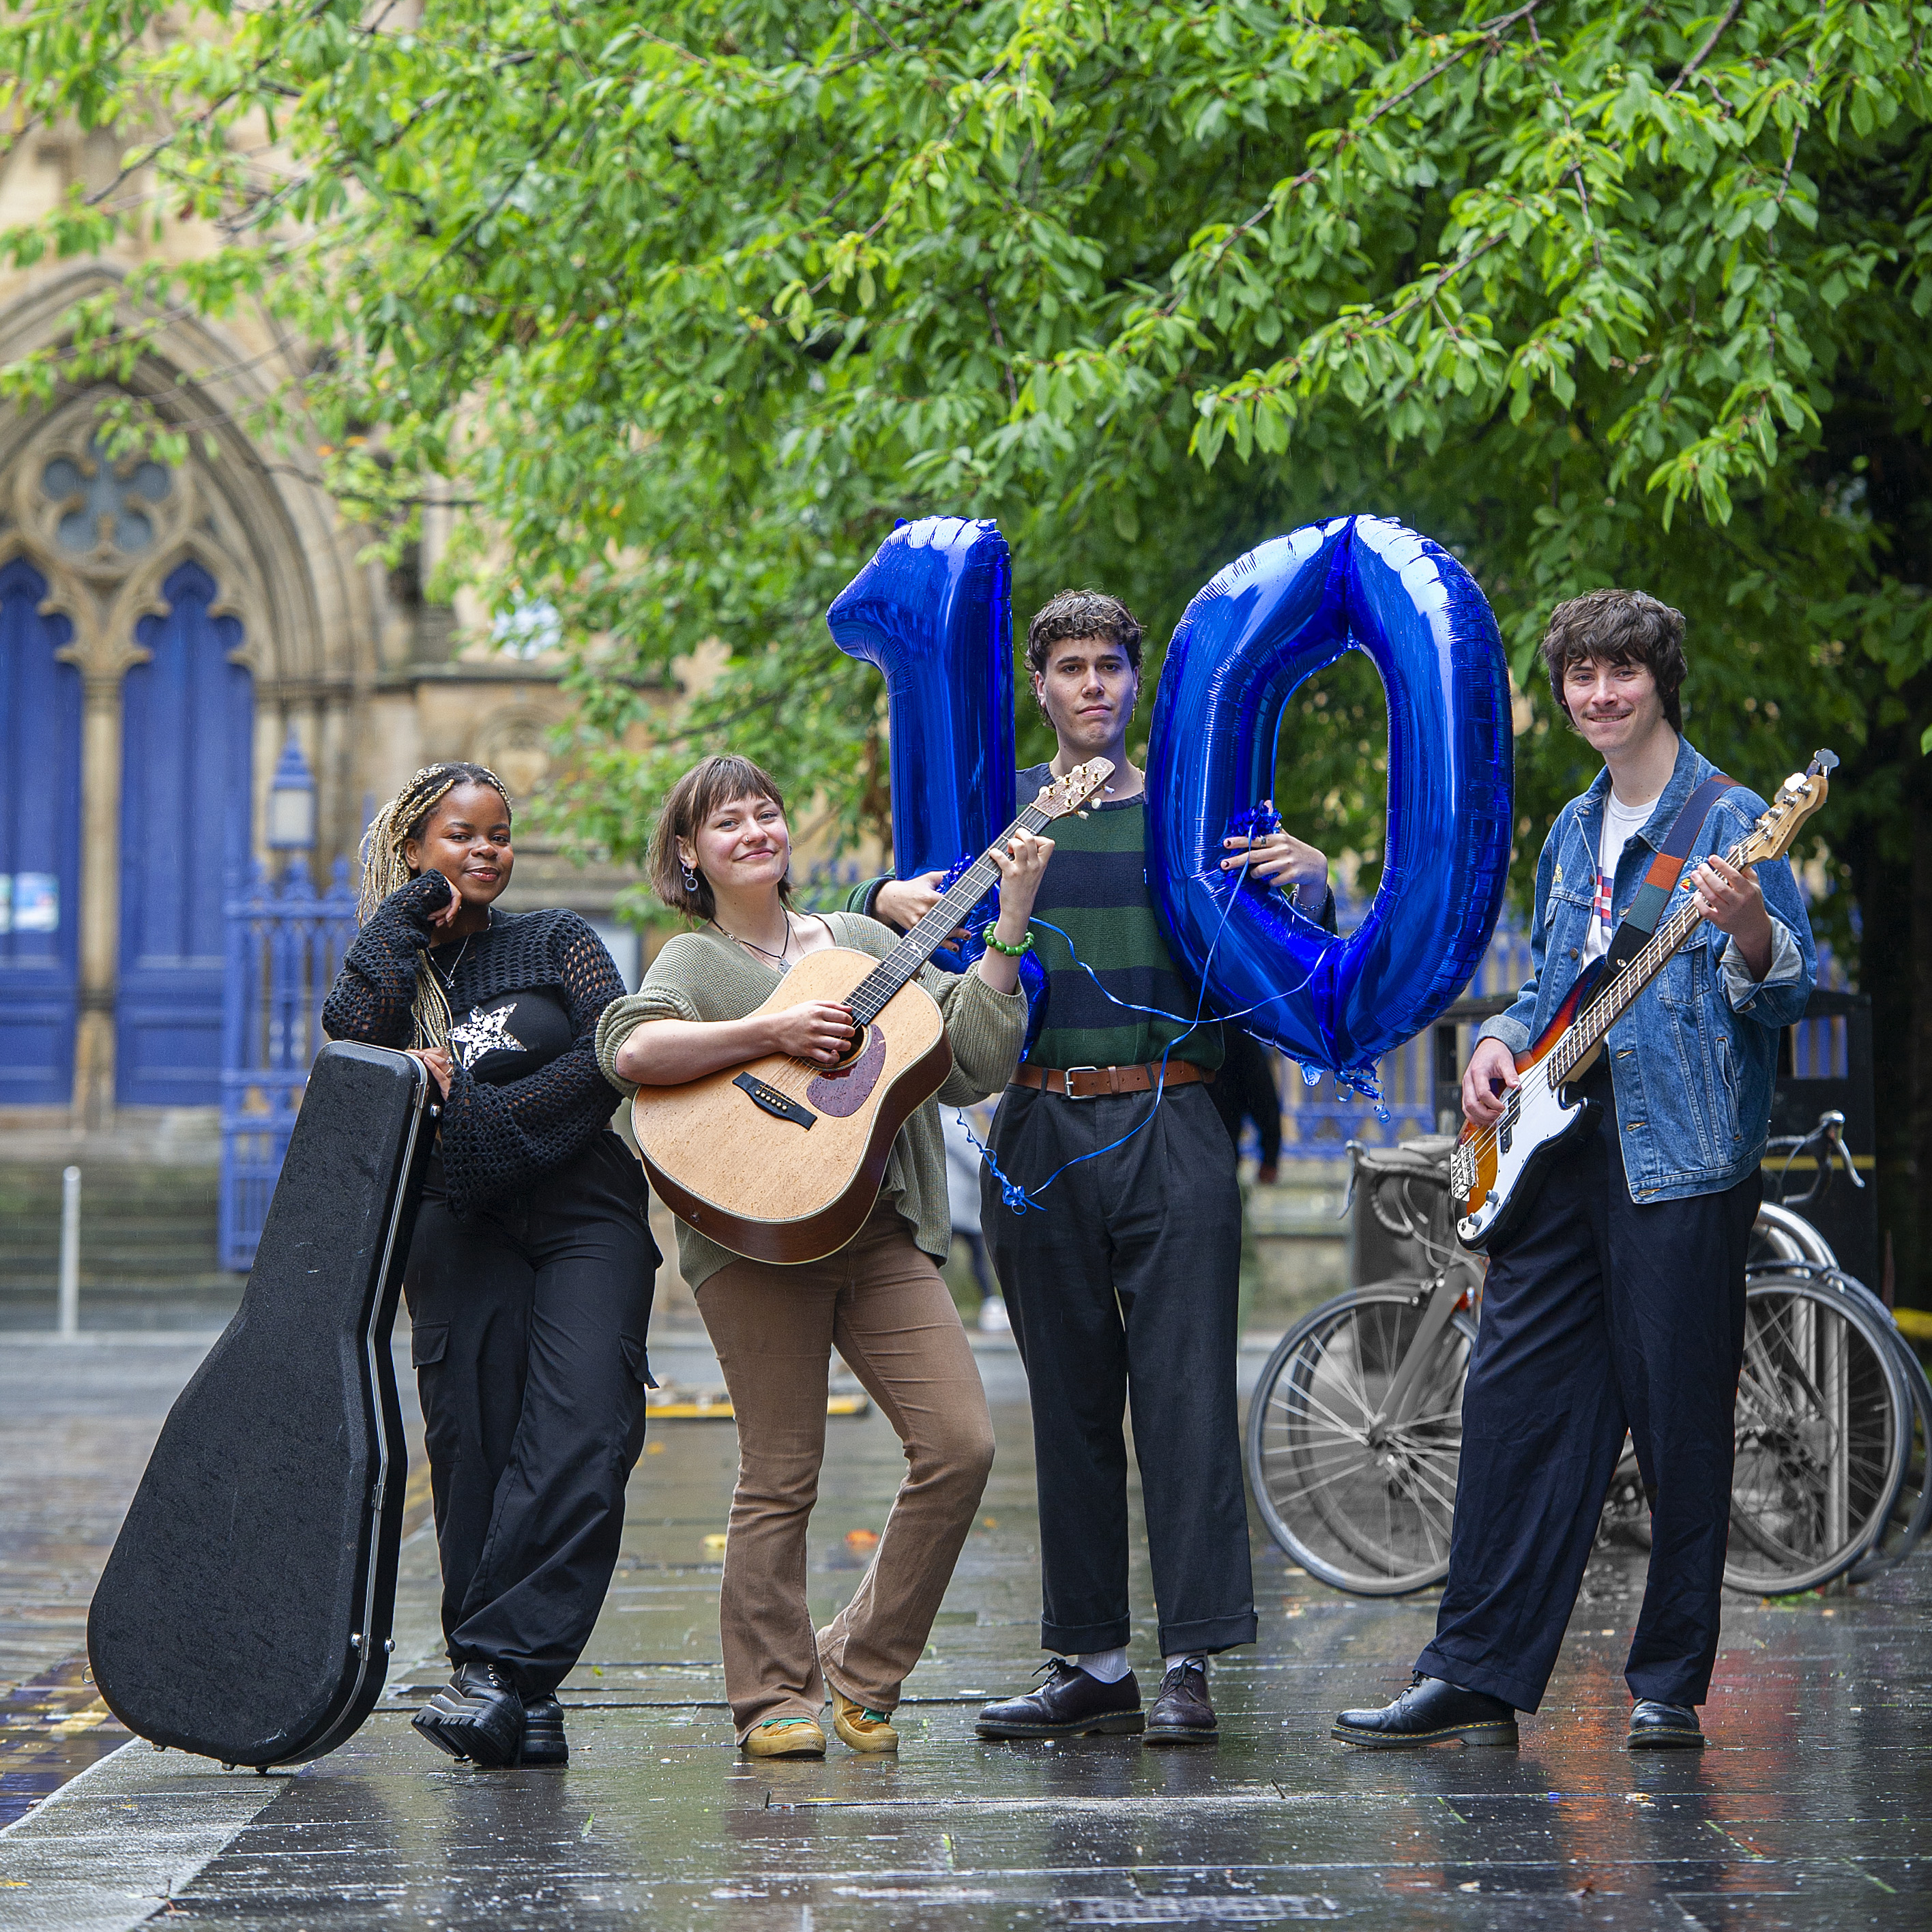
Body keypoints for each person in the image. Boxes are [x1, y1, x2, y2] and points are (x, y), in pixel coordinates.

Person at [1333, 589, 1815, 1754]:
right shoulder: (1569, 827)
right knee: (1510, 1406)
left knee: (1676, 1416)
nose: (1599, 695)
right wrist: (1498, 1040)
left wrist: (1745, 923)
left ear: (1661, 679)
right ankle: (1476, 1671)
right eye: (1580, 677)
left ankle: (1666, 1685)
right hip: (1554, 1154)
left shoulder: (1732, 817)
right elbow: (1553, 985)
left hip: (1680, 1159)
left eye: (1621, 674)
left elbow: (1783, 986)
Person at [852, 589, 1332, 1746]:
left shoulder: (1190, 814)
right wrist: (877, 894)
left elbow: (1298, 957)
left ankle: (1191, 1665)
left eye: (1110, 666)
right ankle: (1094, 1661)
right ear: (1039, 684)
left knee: (1183, 1406)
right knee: (1066, 1405)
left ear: (1133, 679)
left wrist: (1311, 878)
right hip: (1039, 1129)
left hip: (1174, 1122)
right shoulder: (1001, 822)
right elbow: (896, 949)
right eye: (1069, 667)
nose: (1091, 686)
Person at [596, 752, 1045, 1760]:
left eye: (767, 812)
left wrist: (1008, 923)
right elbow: (630, 1053)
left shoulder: (856, 939)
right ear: (690, 855)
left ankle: (860, 1665)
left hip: (881, 1230)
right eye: (727, 824)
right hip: (754, 1237)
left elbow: (973, 1059)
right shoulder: (694, 962)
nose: (754, 832)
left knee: (961, 1445)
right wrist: (772, 1028)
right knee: (782, 1471)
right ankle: (770, 1696)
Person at [322, 762, 656, 1771]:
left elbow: (608, 1054)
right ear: (414, 846)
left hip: (582, 1207)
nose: (484, 852)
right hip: (453, 1221)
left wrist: (477, 1117)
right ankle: (512, 1685)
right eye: (460, 836)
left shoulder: (555, 940)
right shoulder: (397, 968)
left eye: (498, 836)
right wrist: (408, 919)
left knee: (584, 1426)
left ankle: (500, 1671)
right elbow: (351, 1042)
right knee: (474, 1442)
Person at [943, 1103, 1008, 1331]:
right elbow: (974, 1155)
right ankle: (990, 1306)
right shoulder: (954, 1118)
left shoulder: (953, 1116)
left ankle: (989, 1305)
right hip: (957, 1203)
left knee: (964, 1255)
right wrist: (996, 1177)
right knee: (973, 1255)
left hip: (959, 1203)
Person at [1210, 1027, 1284, 1184]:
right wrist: (1270, 1156)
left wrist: (1270, 1154)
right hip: (1219, 1155)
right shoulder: (1228, 1019)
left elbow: (1260, 1092)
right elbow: (1261, 1093)